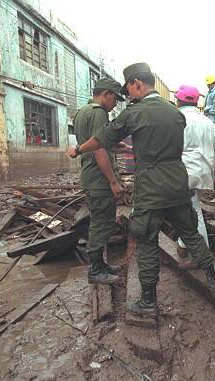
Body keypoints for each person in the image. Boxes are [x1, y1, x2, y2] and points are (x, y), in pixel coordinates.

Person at [67, 63, 215, 316]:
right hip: (177, 183)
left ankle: (148, 300)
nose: (128, 96)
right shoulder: (175, 113)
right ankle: (212, 276)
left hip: (151, 188)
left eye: (129, 90)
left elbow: (103, 138)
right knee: (191, 233)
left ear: (137, 83)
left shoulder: (134, 113)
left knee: (147, 241)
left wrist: (78, 149)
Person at [73, 77, 126, 285]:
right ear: (106, 95)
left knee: (100, 220)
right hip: (99, 178)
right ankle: (95, 270)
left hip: (91, 175)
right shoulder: (98, 113)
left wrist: (125, 148)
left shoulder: (83, 112)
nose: (114, 105)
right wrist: (113, 182)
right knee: (102, 223)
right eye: (115, 100)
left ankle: (100, 265)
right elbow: (99, 149)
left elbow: (98, 142)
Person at [174, 85, 215, 260]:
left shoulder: (176, 119)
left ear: (178, 101)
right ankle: (183, 244)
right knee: (188, 209)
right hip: (203, 174)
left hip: (184, 173)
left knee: (193, 212)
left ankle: (201, 255)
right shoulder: (207, 122)